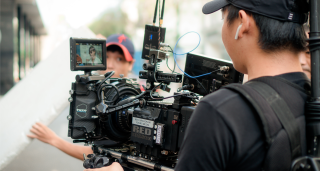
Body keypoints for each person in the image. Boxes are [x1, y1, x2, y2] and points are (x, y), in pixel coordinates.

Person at [27, 34, 135, 162]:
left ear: (130, 64)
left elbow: (97, 154)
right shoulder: (97, 92)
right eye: (106, 57)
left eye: (119, 59)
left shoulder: (139, 98)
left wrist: (54, 140)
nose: (110, 65)